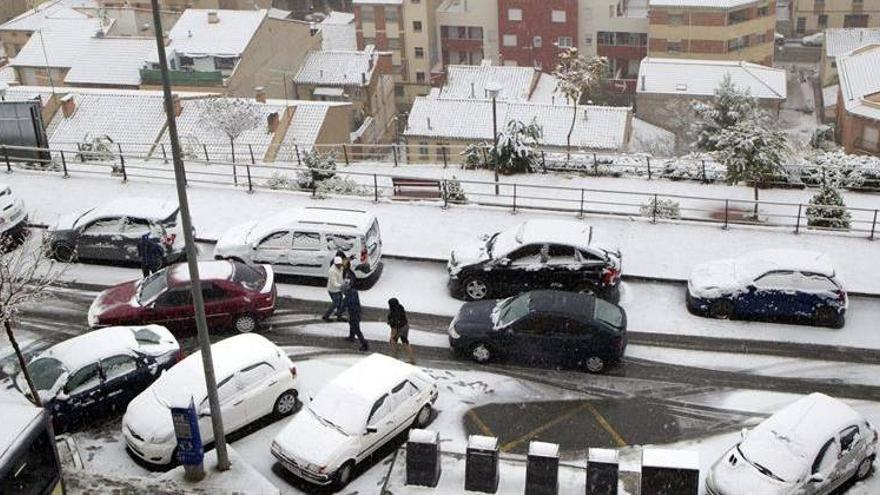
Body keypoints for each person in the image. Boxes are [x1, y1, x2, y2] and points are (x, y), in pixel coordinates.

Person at [342, 278, 368, 352]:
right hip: (357, 312)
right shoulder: (354, 292)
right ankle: (351, 336)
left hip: (354, 313)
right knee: (352, 324)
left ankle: (364, 344)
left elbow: (348, 304)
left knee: (356, 329)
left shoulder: (348, 298)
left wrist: (341, 310)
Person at [387, 298, 415, 364]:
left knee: (394, 341)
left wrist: (391, 322)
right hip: (404, 326)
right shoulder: (400, 307)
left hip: (399, 328)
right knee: (403, 341)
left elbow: (395, 321)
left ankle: (394, 356)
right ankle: (411, 358)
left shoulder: (395, 310)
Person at [322, 257, 345, 321]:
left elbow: (345, 261)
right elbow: (334, 283)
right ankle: (326, 316)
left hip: (339, 289)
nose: (339, 265)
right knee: (336, 303)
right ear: (335, 264)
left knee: (340, 303)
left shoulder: (341, 268)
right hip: (333, 290)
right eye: (338, 264)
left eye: (340, 264)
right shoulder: (332, 271)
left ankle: (339, 316)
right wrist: (342, 286)